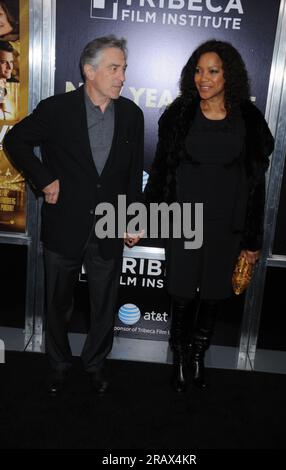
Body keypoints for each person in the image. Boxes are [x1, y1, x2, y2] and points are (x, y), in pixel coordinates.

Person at [4, 36, 144, 395]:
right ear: (89, 71)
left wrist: (135, 218)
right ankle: (58, 364)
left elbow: (133, 173)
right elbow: (14, 141)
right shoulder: (56, 109)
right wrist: (44, 178)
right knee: (57, 304)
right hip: (64, 225)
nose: (122, 76)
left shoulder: (132, 114)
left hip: (110, 226)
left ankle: (95, 364)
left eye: (124, 68)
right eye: (114, 68)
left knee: (104, 304)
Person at [144, 40, 274, 393]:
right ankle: (180, 356)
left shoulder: (248, 119)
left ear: (227, 74)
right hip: (182, 220)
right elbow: (160, 172)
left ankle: (199, 353)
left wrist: (251, 239)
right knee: (182, 292)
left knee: (214, 292)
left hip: (226, 224)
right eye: (198, 71)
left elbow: (255, 185)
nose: (204, 78)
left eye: (212, 71)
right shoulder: (179, 114)